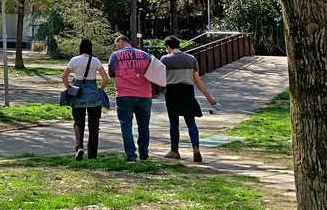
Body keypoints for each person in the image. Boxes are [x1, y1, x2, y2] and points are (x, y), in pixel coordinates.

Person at [108, 33, 167, 163]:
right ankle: (144, 154)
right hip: (144, 95)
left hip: (124, 95)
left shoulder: (115, 56)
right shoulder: (145, 55)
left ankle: (131, 156)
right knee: (144, 126)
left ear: (121, 42)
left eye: (115, 45)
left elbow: (111, 73)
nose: (115, 48)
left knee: (126, 126)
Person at [160, 35, 216, 162]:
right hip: (187, 91)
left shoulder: (164, 59)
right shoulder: (191, 59)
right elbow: (197, 79)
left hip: (172, 91)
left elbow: (160, 78)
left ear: (168, 47)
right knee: (191, 122)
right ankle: (196, 148)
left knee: (174, 123)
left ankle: (174, 151)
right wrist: (208, 97)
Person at [60, 38, 109, 160]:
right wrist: (100, 90)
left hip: (78, 94)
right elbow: (105, 79)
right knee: (93, 125)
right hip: (93, 94)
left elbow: (64, 76)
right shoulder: (95, 61)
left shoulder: (74, 60)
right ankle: (92, 154)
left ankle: (79, 147)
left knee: (78, 122)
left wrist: (69, 88)